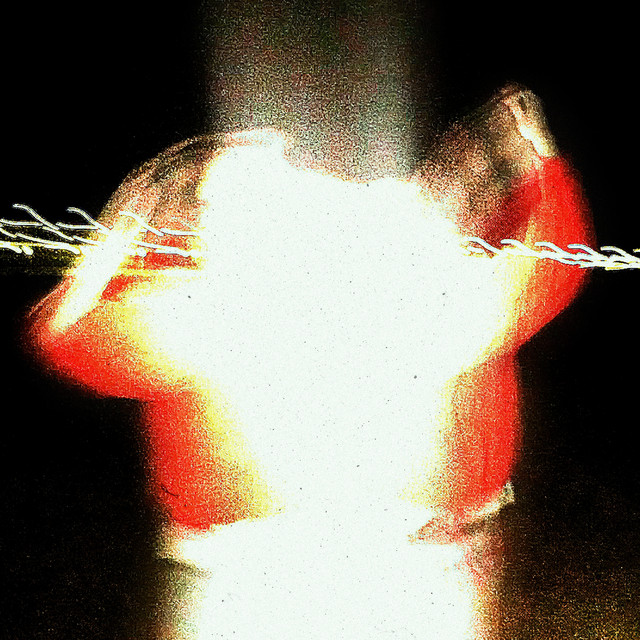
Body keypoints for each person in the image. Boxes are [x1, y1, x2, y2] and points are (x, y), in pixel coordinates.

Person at [24, 85, 594, 637]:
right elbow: (550, 269)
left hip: (378, 577)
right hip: (285, 580)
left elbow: (62, 331)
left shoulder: (212, 307)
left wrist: (137, 206)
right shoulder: (214, 308)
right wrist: (538, 158)